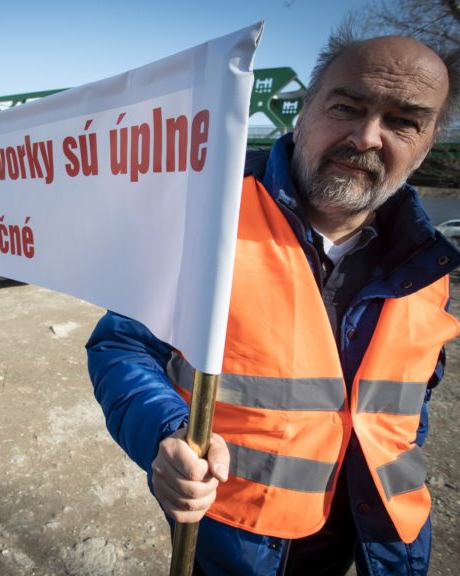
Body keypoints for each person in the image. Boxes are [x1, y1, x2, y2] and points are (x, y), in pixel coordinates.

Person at [87, 26, 460, 576]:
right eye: (346, 106)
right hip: (237, 541)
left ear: (426, 145)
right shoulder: (204, 217)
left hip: (380, 539)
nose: (366, 137)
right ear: (303, 112)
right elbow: (121, 345)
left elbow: (409, 401)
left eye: (403, 122)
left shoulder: (428, 265)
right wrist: (167, 431)